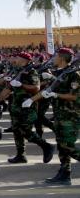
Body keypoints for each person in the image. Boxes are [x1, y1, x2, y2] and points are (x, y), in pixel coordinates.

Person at [23, 47, 79, 185]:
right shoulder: (60, 74)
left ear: (62, 58)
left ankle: (65, 173)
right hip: (60, 115)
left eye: (55, 57)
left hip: (71, 117)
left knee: (67, 146)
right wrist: (31, 100)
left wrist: (56, 95)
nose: (53, 59)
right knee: (61, 146)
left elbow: (75, 96)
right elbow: (47, 90)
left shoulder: (74, 74)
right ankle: (65, 174)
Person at [0, 52, 54, 164]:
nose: (15, 59)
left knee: (26, 131)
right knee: (17, 131)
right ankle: (21, 155)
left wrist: (21, 85)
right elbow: (8, 88)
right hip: (16, 106)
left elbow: (36, 88)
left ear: (23, 60)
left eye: (17, 57)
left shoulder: (31, 71)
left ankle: (46, 146)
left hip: (27, 107)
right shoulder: (17, 71)